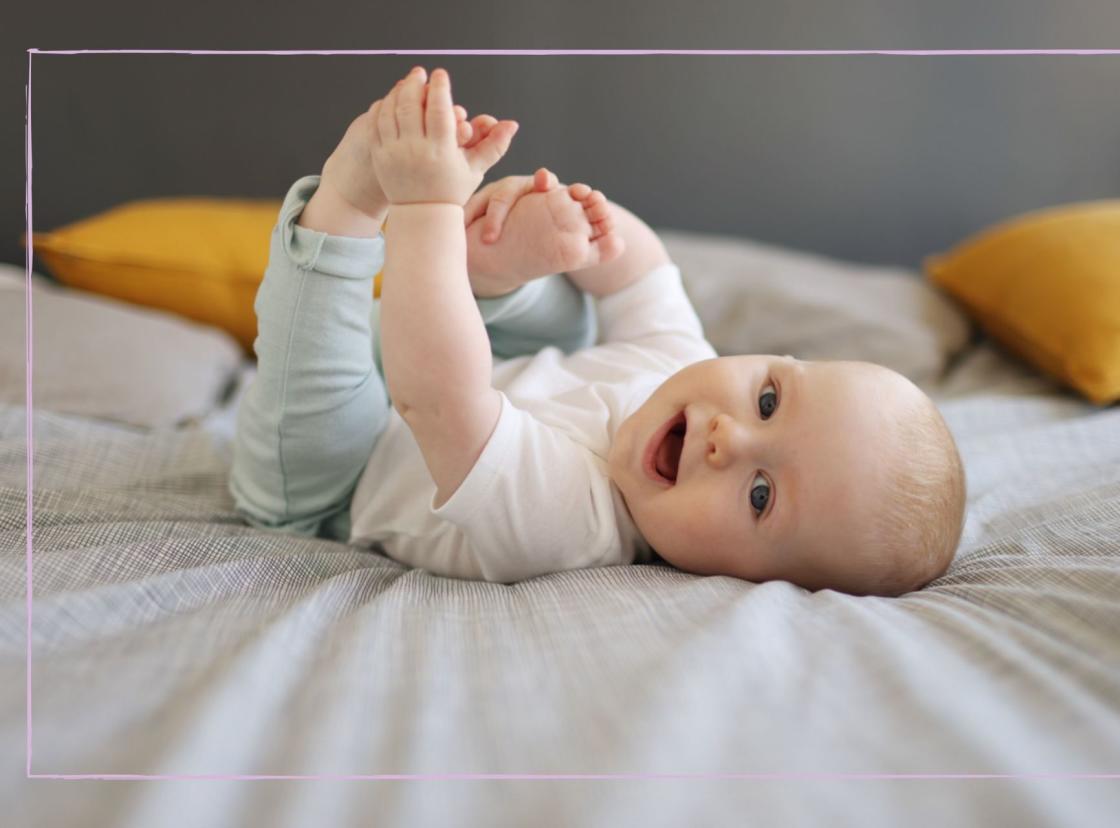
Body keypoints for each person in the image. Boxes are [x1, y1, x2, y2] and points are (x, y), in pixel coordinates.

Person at [230, 66, 966, 596]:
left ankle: (349, 210)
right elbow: (643, 274)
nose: (729, 440)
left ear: (753, 582)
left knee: (334, 387)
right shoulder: (686, 362)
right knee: (576, 312)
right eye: (769, 401)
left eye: (761, 496)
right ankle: (493, 273)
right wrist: (592, 231)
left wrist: (425, 211)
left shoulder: (569, 525)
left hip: (336, 482)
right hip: (440, 369)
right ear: (773, 360)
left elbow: (439, 399)